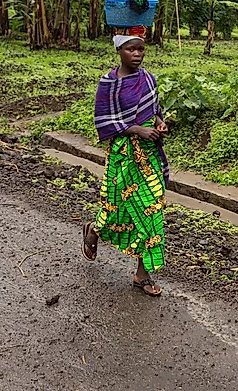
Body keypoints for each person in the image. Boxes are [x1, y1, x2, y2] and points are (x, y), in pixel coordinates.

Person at [82, 27, 169, 297]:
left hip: (148, 155)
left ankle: (142, 274)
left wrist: (158, 123)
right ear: (119, 50)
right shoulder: (108, 83)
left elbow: (153, 110)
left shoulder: (149, 79)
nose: (137, 54)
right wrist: (135, 129)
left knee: (151, 206)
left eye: (141, 49)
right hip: (123, 154)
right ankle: (94, 229)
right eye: (131, 49)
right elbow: (104, 119)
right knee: (118, 206)